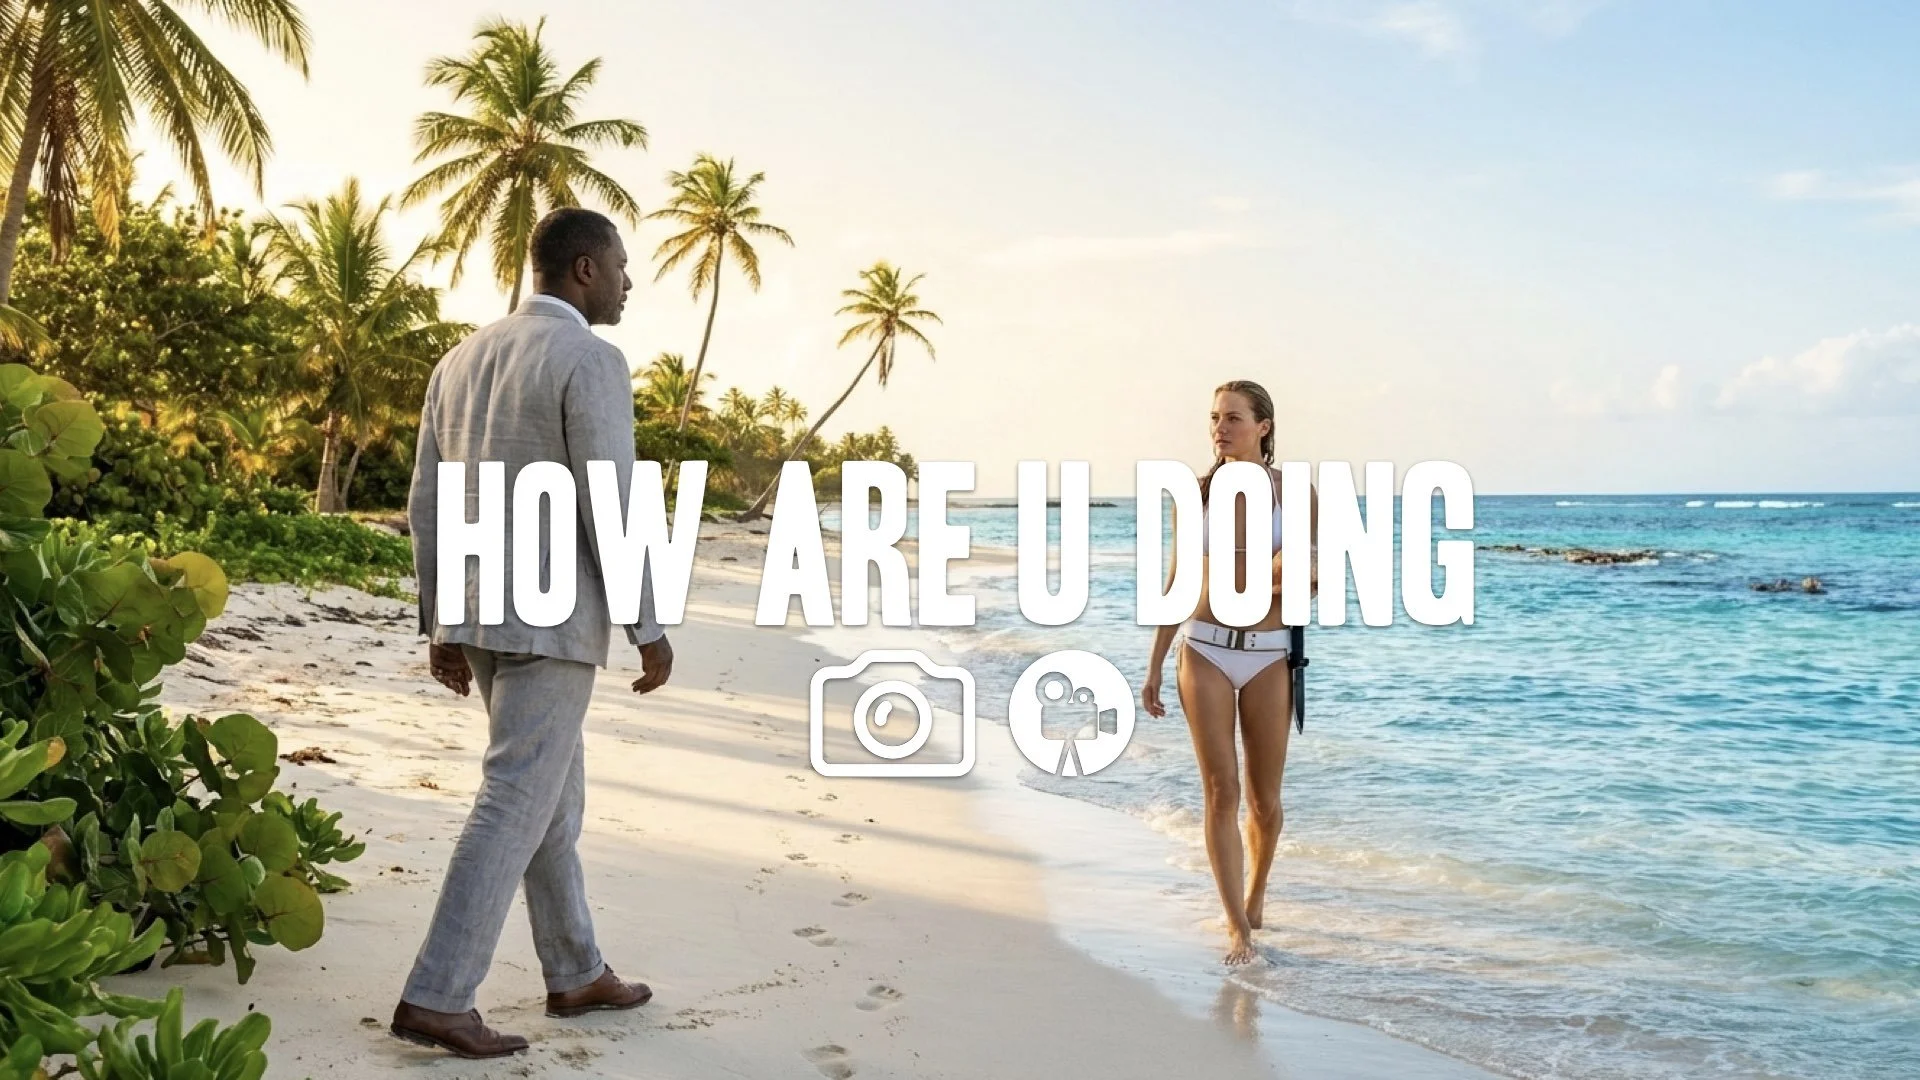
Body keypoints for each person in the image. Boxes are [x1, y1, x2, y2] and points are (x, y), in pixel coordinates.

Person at [393, 207, 675, 1058]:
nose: (630, 282)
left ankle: (576, 969)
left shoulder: (459, 359)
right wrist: (649, 626)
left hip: (480, 612)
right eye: (622, 265)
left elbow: (426, 502)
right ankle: (438, 994)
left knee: (550, 795)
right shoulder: (590, 357)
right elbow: (611, 501)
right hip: (551, 618)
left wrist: (439, 620)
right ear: (584, 269)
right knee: (518, 796)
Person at [1141, 380, 1316, 966]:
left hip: (1269, 653)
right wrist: (1155, 666)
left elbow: (1312, 576)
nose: (1219, 428)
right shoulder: (1195, 494)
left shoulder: (1297, 492)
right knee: (1221, 790)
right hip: (1205, 649)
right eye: (1215, 418)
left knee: (1265, 800)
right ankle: (1236, 924)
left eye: (1233, 418)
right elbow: (1177, 580)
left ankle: (1256, 893)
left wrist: (1271, 579)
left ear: (1263, 426)